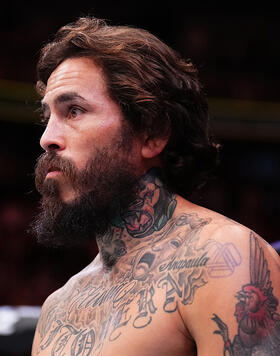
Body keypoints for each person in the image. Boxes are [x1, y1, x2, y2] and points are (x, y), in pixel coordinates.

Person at [31, 16, 280, 356]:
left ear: (152, 133)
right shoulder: (58, 309)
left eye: (73, 111)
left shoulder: (223, 258)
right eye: (48, 119)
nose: (47, 139)